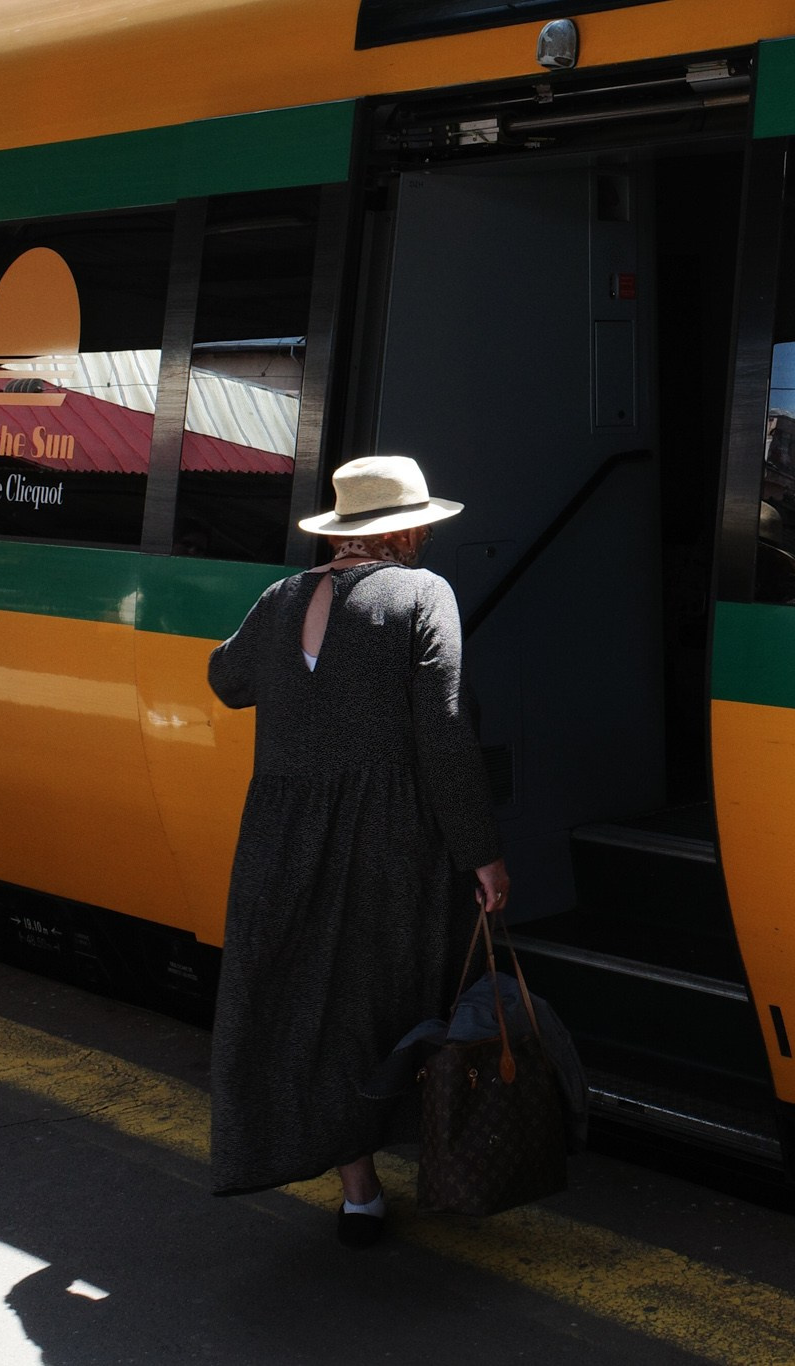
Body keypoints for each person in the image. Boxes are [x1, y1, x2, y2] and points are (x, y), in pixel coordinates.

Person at [206, 454, 510, 1248]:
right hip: (387, 838)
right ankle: (448, 1163)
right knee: (387, 1005)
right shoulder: (421, 596)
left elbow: (226, 680)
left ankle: (360, 1193)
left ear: (342, 533)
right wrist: (481, 852)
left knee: (312, 1004)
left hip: (279, 840)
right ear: (406, 528)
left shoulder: (278, 599)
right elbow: (443, 734)